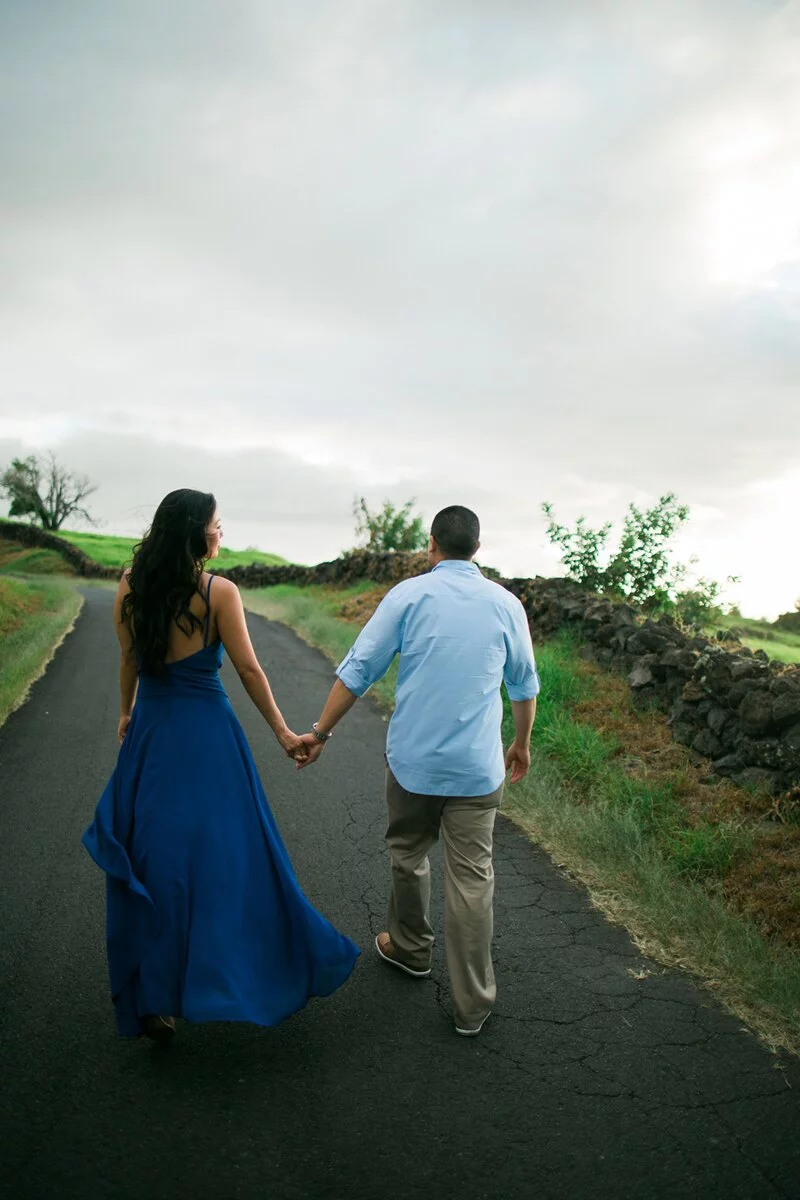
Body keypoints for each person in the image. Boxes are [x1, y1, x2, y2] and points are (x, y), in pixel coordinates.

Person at [82, 489, 359, 1041]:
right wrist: (283, 731)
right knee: (231, 855)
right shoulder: (217, 592)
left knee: (153, 855)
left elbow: (130, 657)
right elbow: (250, 671)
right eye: (216, 524)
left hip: (153, 733)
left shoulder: (132, 585)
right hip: (209, 736)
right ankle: (234, 972)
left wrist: (125, 712)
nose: (221, 532)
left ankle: (157, 997)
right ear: (196, 535)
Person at [296, 505, 539, 1036]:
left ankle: (410, 949)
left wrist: (320, 732)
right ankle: (473, 1005)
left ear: (432, 544)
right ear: (477, 547)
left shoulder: (408, 595)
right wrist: (519, 745)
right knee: (473, 878)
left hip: (414, 763)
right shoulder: (506, 605)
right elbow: (523, 685)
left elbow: (360, 668)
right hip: (478, 769)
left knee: (408, 853)